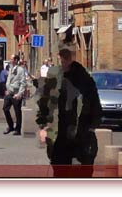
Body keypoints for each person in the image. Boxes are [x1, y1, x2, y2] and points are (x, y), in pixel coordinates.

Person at [35, 42, 102, 177]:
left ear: (73, 56)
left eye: (69, 56)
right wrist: (42, 126)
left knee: (83, 173)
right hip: (58, 135)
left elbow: (96, 104)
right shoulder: (53, 75)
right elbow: (43, 102)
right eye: (63, 56)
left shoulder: (84, 77)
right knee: (59, 171)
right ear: (59, 56)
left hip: (81, 133)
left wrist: (92, 127)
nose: (66, 59)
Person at [3, 54, 28, 135]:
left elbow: (23, 83)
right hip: (9, 93)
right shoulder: (10, 68)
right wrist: (7, 89)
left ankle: (18, 129)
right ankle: (10, 126)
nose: (11, 60)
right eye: (10, 59)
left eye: (12, 59)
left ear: (16, 60)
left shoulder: (21, 70)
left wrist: (19, 94)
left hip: (16, 94)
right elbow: (9, 79)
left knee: (17, 112)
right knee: (5, 108)